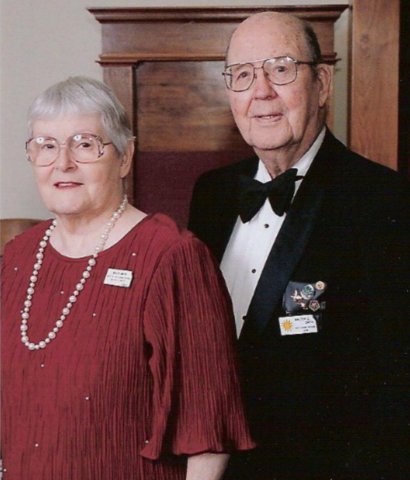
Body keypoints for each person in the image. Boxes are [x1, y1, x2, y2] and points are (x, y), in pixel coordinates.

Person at [189, 12, 410, 480]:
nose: (261, 92)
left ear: (323, 83)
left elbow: (396, 388)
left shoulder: (383, 201)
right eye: (244, 75)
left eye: (281, 69)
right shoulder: (210, 194)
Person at [0, 76, 255, 480]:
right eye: (46, 145)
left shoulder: (173, 257)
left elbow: (209, 432)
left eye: (84, 144)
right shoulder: (16, 257)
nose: (62, 162)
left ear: (124, 156)